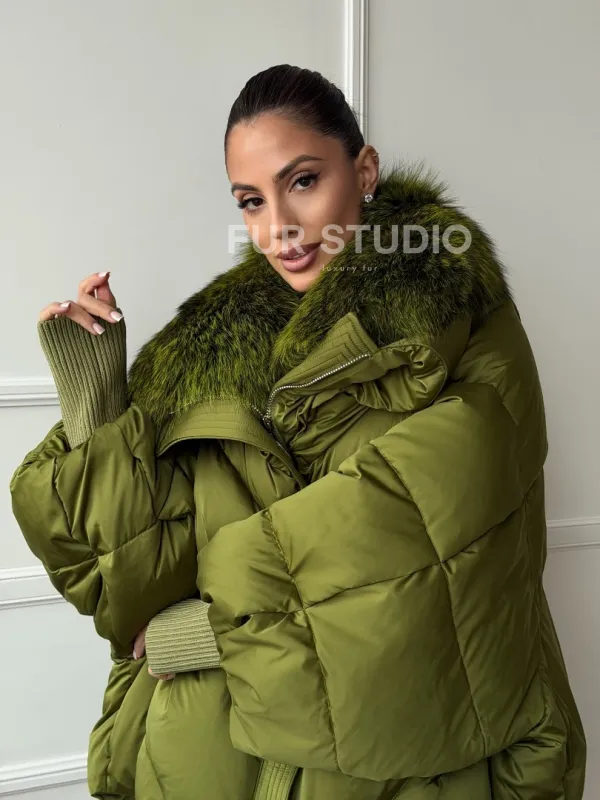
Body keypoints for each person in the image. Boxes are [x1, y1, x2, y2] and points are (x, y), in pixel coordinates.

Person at [10, 64, 586, 800]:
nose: (277, 226)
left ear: (364, 171)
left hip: (394, 769)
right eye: (251, 201)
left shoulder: (459, 326)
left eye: (303, 181)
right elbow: (126, 587)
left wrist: (214, 631)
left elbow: (442, 559)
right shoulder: (210, 355)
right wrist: (95, 398)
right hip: (211, 757)